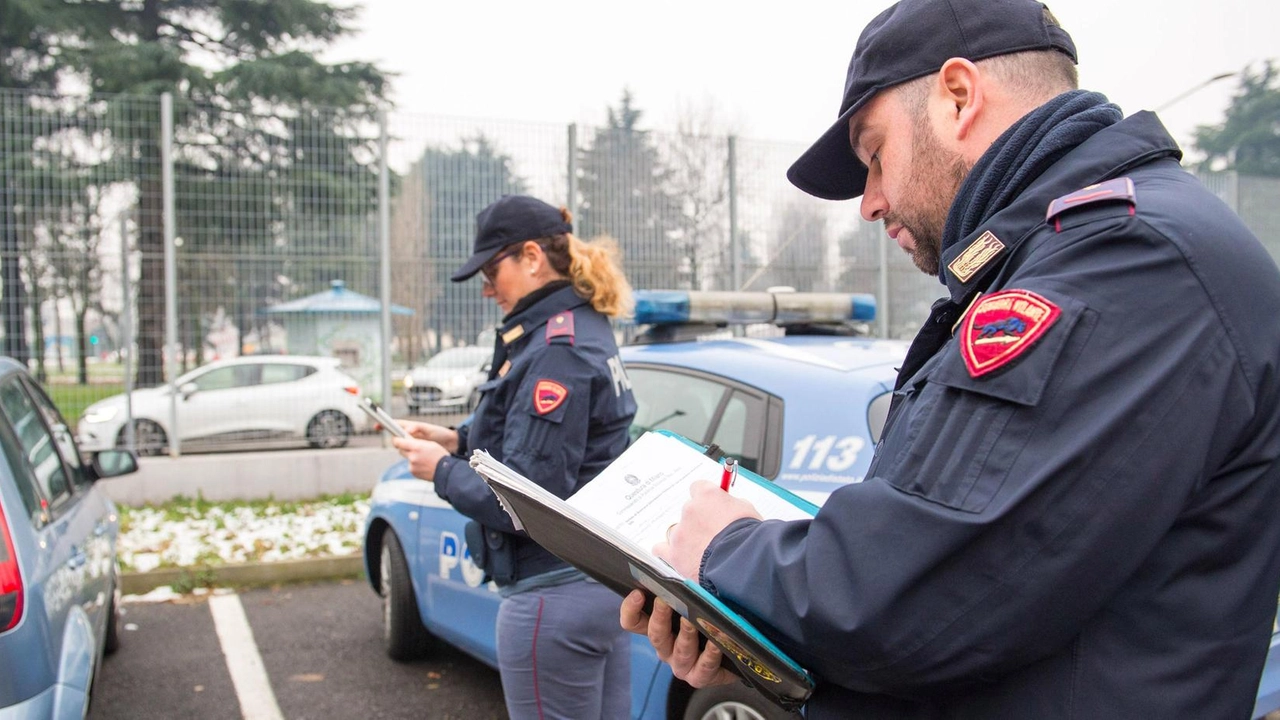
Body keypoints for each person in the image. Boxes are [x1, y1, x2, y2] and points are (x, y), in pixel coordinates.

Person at [621, 0, 1280, 717]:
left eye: (875, 156)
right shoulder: (1067, 258)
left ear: (958, 96)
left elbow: (912, 602)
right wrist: (745, 623)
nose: (869, 203)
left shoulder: (1130, 260)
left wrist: (729, 553)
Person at [394, 194, 636, 719]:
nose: (485, 288)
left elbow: (527, 498)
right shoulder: (583, 326)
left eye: (490, 270)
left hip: (554, 593)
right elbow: (554, 440)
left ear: (531, 256)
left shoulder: (555, 348)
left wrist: (440, 471)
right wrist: (455, 441)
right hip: (601, 582)